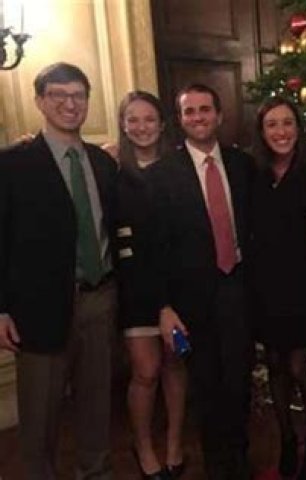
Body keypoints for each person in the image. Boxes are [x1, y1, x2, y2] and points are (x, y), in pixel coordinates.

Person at [0, 62, 118, 480]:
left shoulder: (103, 163)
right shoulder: (12, 164)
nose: (70, 104)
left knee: (97, 406)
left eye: (78, 95)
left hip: (100, 299)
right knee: (40, 415)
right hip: (38, 308)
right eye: (58, 95)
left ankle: (96, 473)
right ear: (40, 101)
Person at [147, 83, 255, 479]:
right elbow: (153, 248)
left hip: (239, 289)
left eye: (205, 109)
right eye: (189, 111)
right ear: (180, 120)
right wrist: (163, 306)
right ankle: (218, 468)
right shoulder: (161, 175)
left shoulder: (242, 165)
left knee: (240, 382)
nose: (198, 117)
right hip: (190, 300)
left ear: (219, 115)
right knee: (207, 388)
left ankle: (240, 463)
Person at [249, 97, 306, 479]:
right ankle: (287, 439)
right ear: (262, 132)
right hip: (264, 284)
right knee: (276, 365)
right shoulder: (253, 172)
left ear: (298, 127)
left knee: (299, 364)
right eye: (272, 124)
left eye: (287, 123)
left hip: (304, 283)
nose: (281, 131)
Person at [112, 91, 187, 479]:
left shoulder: (179, 167)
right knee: (146, 371)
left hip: (179, 288)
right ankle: (143, 448)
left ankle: (174, 443)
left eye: (149, 119)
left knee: (176, 364)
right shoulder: (111, 169)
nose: (142, 127)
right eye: (133, 119)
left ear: (162, 124)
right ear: (123, 125)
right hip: (135, 290)